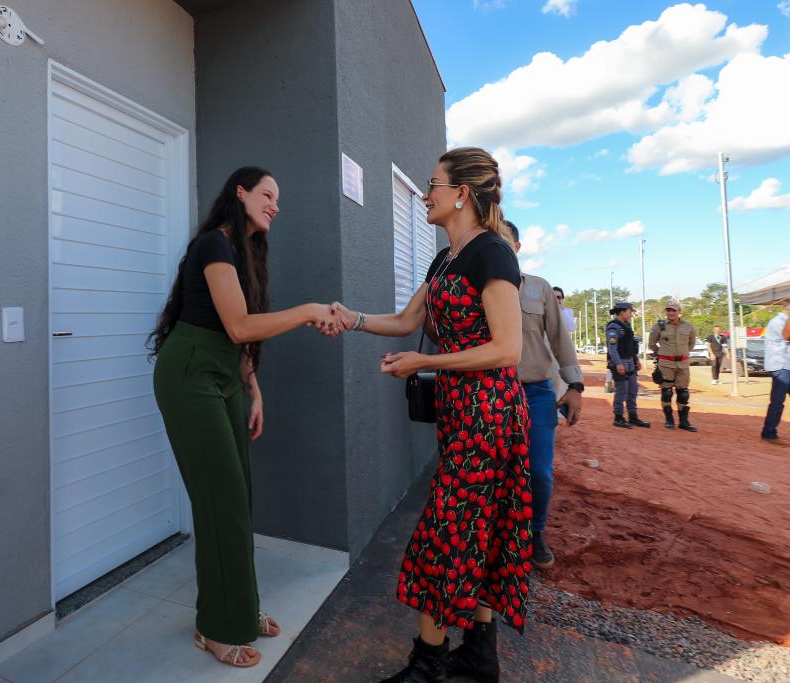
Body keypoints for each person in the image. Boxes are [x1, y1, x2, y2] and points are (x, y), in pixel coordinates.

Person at [331, 147, 529, 683]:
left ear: (461, 192)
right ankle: (478, 657)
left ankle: (428, 666)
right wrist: (352, 320)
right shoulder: (444, 258)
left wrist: (427, 361)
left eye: (433, 184)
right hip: (463, 413)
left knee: (448, 533)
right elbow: (403, 320)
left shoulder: (493, 253)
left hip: (489, 413)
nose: (425, 193)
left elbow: (507, 349)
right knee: (476, 530)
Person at [148, 167, 339, 669]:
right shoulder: (214, 244)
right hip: (189, 374)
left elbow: (239, 338)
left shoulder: (247, 254)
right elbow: (237, 326)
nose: (275, 204)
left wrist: (253, 390)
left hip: (225, 375)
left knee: (238, 497)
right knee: (220, 502)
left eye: (279, 198)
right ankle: (216, 626)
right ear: (241, 193)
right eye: (267, 194)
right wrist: (309, 310)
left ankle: (240, 607)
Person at [506, 221, 583, 570]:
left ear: (518, 247)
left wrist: (575, 386)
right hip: (492, 392)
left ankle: (535, 532)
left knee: (539, 471)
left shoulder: (539, 289)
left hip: (536, 392)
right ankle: (499, 535)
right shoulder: (477, 289)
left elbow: (559, 340)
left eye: (505, 241)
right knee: (495, 472)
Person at [648, 300, 697, 431]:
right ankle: (669, 420)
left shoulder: (688, 327)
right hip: (666, 364)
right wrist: (664, 353)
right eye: (668, 310)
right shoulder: (659, 326)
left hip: (683, 364)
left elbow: (691, 344)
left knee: (683, 393)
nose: (670, 313)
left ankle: (683, 421)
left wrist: (681, 353)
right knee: (666, 392)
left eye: (673, 310)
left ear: (679, 312)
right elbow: (651, 344)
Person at [606, 302, 649, 429]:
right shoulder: (613, 327)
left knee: (633, 390)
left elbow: (631, 346)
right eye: (630, 312)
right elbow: (612, 348)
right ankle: (618, 417)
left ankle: (633, 416)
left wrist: (636, 360)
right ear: (621, 312)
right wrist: (618, 363)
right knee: (621, 391)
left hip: (630, 361)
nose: (631, 314)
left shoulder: (626, 326)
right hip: (620, 361)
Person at [761, 302, 790, 446]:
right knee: (778, 402)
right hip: (780, 366)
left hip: (787, 366)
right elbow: (788, 336)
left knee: (778, 402)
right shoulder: (777, 322)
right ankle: (769, 433)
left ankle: (769, 431)